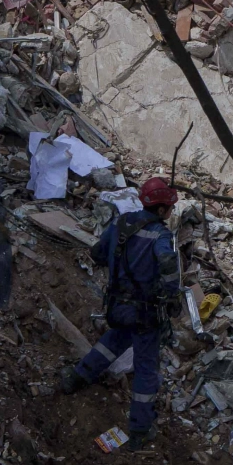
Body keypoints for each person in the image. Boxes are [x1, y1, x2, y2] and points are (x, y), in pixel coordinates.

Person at [59, 175, 183, 443]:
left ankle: (78, 377)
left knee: (113, 340)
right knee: (146, 368)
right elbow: (168, 264)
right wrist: (172, 297)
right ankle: (139, 428)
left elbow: (98, 253)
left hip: (117, 306)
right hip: (145, 313)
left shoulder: (121, 223)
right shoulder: (161, 235)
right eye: (170, 207)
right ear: (161, 209)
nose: (171, 212)